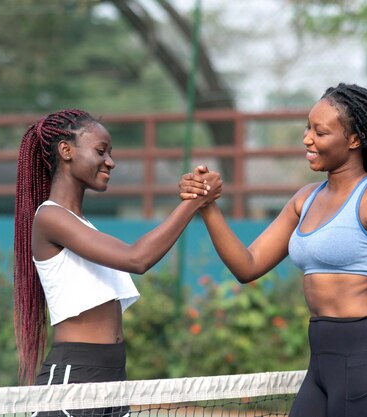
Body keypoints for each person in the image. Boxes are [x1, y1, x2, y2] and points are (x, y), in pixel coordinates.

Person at [179, 84, 367, 417]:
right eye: (307, 127)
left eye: (320, 131)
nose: (307, 138)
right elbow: (248, 265)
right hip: (321, 362)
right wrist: (208, 206)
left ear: (354, 140)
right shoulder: (305, 199)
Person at [13, 109, 222, 417]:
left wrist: (194, 199)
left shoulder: (82, 224)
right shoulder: (50, 217)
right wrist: (194, 202)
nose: (110, 161)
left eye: (110, 153)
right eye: (101, 151)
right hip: (73, 381)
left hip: (113, 380)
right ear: (66, 150)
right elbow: (137, 258)